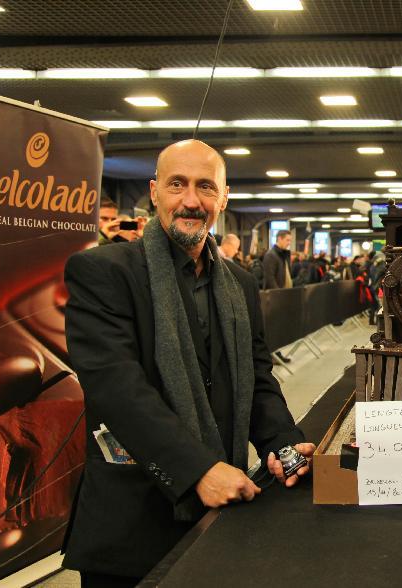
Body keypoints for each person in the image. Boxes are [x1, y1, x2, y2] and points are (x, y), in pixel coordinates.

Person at [62, 140, 314, 586]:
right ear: (154, 191)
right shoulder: (102, 272)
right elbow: (117, 391)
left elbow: (255, 374)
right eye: (177, 184)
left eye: (205, 187)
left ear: (224, 197)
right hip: (134, 524)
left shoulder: (238, 282)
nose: (191, 200)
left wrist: (282, 441)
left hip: (220, 515)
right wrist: (196, 470)